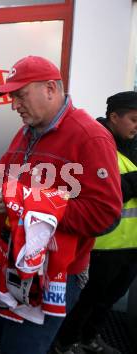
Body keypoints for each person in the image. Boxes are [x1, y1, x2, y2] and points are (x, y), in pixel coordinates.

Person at [0, 56, 122, 354]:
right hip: (14, 261)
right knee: (4, 338)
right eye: (11, 96)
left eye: (20, 95)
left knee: (23, 347)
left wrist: (24, 204)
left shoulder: (91, 137)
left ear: (50, 89)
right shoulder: (26, 131)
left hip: (56, 272)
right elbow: (4, 179)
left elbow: (105, 216)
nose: (14, 105)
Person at [53, 91, 137, 354]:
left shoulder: (133, 146)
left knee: (107, 301)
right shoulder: (96, 143)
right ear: (114, 117)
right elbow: (101, 193)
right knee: (85, 301)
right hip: (101, 245)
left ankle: (89, 338)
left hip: (130, 244)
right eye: (134, 119)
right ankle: (66, 343)